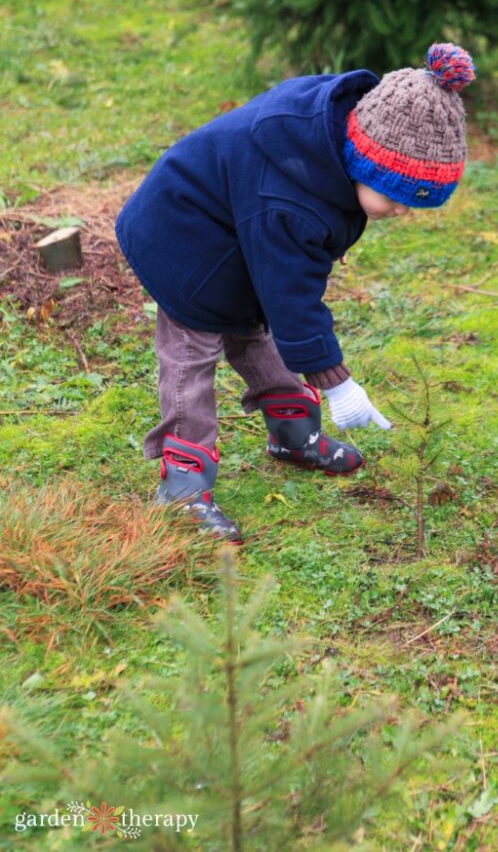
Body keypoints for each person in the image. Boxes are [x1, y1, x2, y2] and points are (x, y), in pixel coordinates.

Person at [115, 42, 475, 544]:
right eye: (396, 197)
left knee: (254, 328)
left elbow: (284, 293)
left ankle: (292, 436)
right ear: (366, 163)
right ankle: (183, 487)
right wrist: (337, 382)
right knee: (191, 355)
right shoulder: (289, 199)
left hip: (237, 229)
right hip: (180, 238)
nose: (401, 212)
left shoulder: (342, 128)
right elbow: (294, 299)